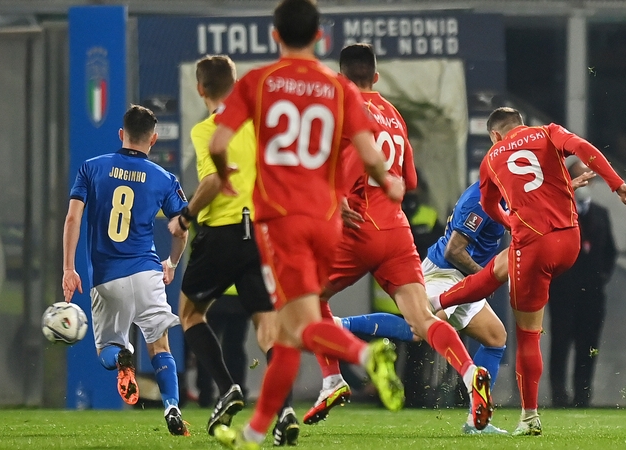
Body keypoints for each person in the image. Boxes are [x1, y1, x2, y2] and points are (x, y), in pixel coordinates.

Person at [207, 2, 408, 448]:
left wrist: (224, 175)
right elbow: (371, 155)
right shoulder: (340, 88)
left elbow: (221, 142)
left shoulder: (258, 81)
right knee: (288, 331)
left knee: (297, 323)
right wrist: (389, 185)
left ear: (274, 35)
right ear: (320, 36)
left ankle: (363, 353)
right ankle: (254, 434)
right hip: (328, 221)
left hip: (282, 220)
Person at [301, 43, 494, 434]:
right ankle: (470, 371)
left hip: (357, 224)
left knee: (308, 299)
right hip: (395, 227)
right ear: (375, 77)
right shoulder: (393, 114)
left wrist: (335, 195)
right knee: (421, 317)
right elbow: (409, 181)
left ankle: (332, 380)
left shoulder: (339, 105)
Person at [433, 107, 626, 436]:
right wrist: (617, 185)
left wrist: (509, 221)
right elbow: (584, 149)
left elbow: (488, 205)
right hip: (569, 241)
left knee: (529, 334)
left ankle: (529, 417)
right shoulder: (547, 132)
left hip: (534, 248)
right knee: (500, 266)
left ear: (495, 135)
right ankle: (439, 301)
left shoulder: (491, 157)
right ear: (521, 125)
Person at [167, 55, 300, 445]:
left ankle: (227, 387)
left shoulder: (208, 129)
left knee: (190, 314)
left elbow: (210, 183)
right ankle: (286, 410)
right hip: (260, 235)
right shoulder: (260, 126)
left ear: (200, 89)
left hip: (221, 234)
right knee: (269, 329)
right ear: (237, 82)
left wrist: (185, 216)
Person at [314, 177, 508, 435]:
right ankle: (341, 326)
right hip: (446, 272)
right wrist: (485, 277)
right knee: (420, 327)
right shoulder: (479, 199)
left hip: (463, 277)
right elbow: (454, 250)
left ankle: (477, 420)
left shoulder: (506, 194)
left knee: (495, 336)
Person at [61, 105, 190, 436]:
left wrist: (68, 268)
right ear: (154, 139)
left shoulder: (91, 168)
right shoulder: (164, 178)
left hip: (107, 278)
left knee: (108, 350)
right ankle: (172, 406)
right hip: (147, 273)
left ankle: (122, 361)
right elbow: (181, 229)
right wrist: (172, 263)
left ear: (122, 134)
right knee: (160, 347)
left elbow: (73, 218)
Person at [548, 159, 617, 408]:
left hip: (593, 292)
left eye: (588, 177)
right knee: (560, 344)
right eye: (578, 177)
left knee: (588, 345)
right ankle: (558, 395)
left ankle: (582, 396)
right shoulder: (557, 210)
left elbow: (610, 251)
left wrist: (601, 277)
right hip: (563, 290)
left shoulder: (601, 213)